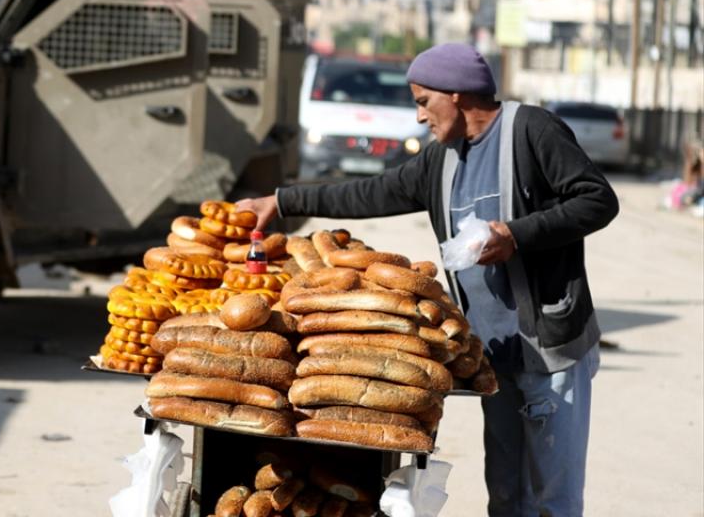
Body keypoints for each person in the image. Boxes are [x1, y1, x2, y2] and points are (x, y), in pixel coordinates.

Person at [237, 43, 619, 517]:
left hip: (550, 349)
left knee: (553, 502)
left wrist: (515, 235)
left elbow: (597, 200)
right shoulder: (443, 159)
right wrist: (282, 201)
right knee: (506, 496)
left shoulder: (531, 130)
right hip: (495, 355)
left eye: (423, 101)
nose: (419, 116)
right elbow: (372, 192)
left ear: (456, 93)